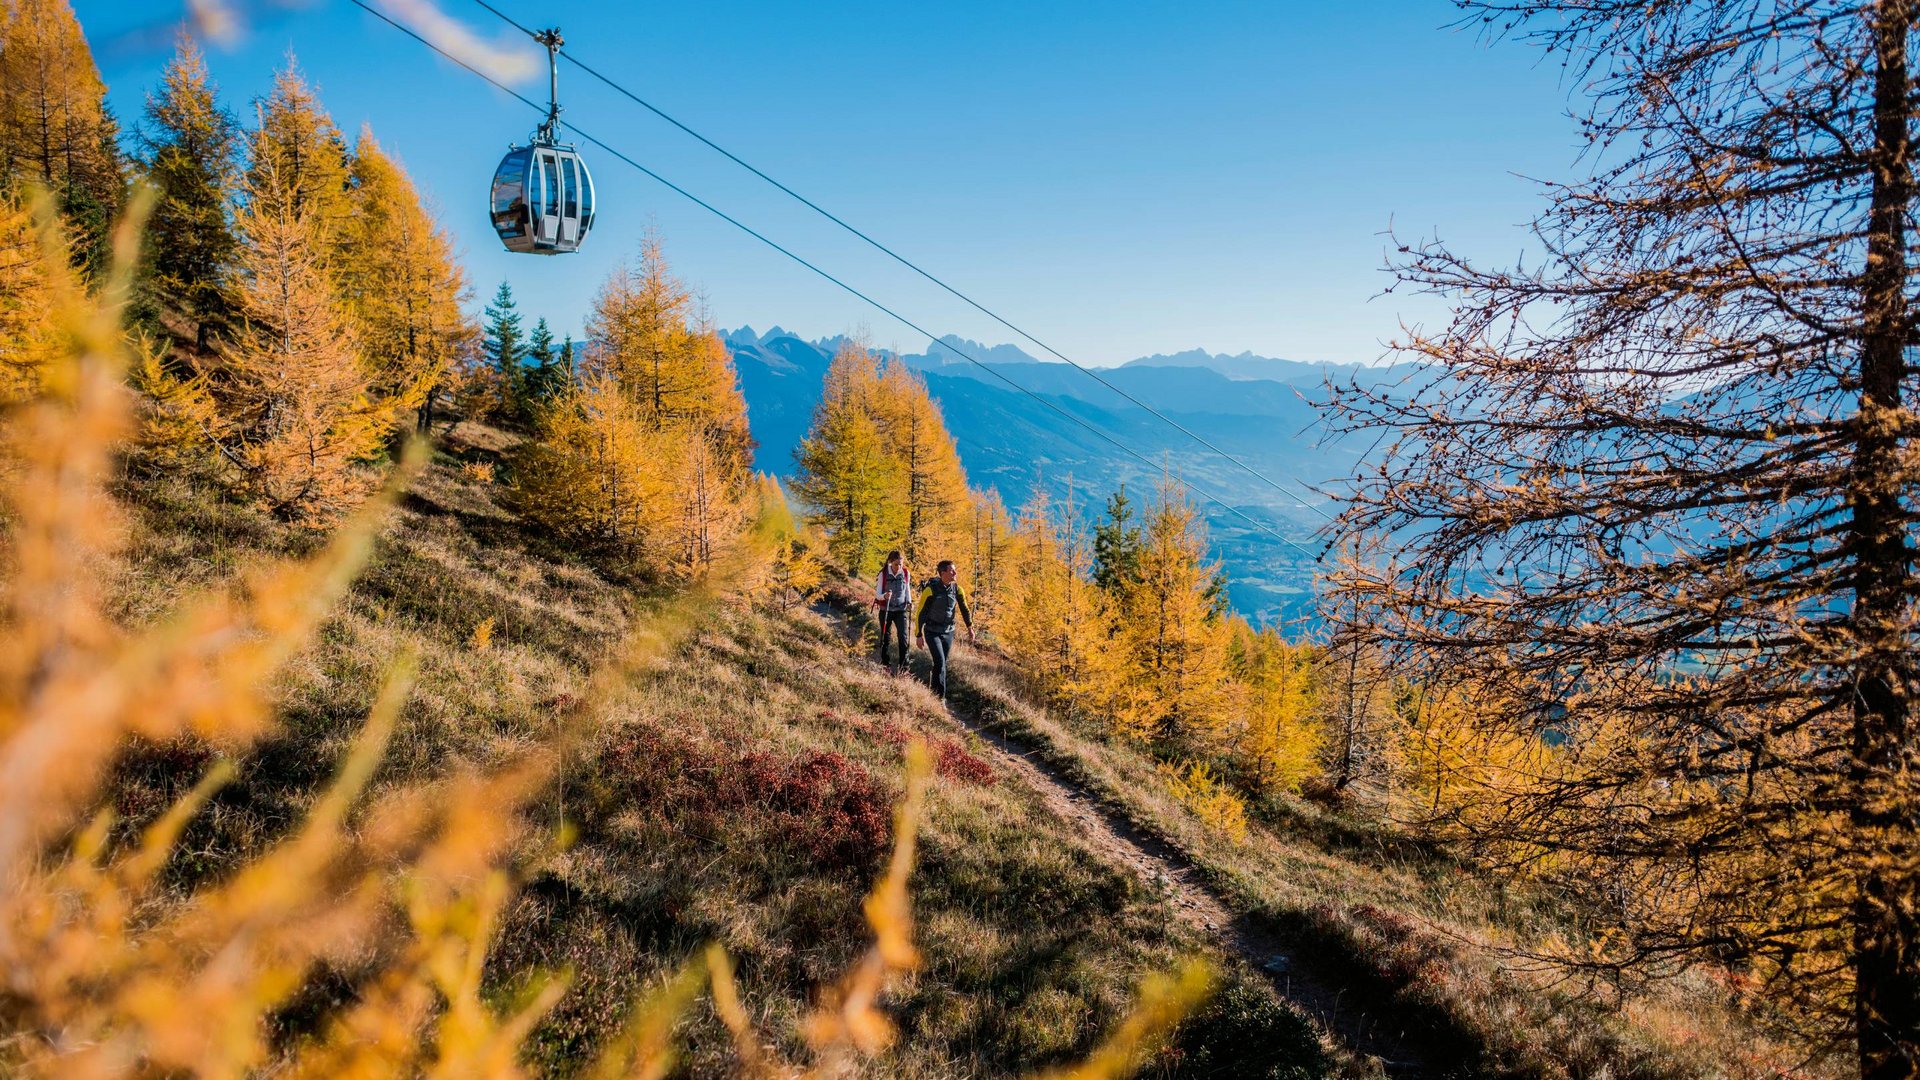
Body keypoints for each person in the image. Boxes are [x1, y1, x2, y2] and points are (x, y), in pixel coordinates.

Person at [913, 559, 974, 701]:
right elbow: (920, 612)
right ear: (943, 573)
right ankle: (940, 699)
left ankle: (933, 694)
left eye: (955, 569)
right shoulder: (930, 590)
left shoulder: (957, 589)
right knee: (940, 662)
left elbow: (965, 609)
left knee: (941, 664)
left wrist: (970, 627)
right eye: (952, 570)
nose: (955, 572)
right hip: (932, 631)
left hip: (948, 632)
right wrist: (918, 634)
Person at [871, 550, 913, 676]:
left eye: (901, 564)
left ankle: (904, 667)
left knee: (903, 638)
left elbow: (907, 589)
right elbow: (877, 594)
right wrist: (884, 596)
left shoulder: (905, 573)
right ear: (890, 562)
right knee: (885, 637)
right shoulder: (883, 574)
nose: (899, 567)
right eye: (896, 564)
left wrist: (909, 601)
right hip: (886, 610)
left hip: (900, 610)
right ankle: (885, 664)